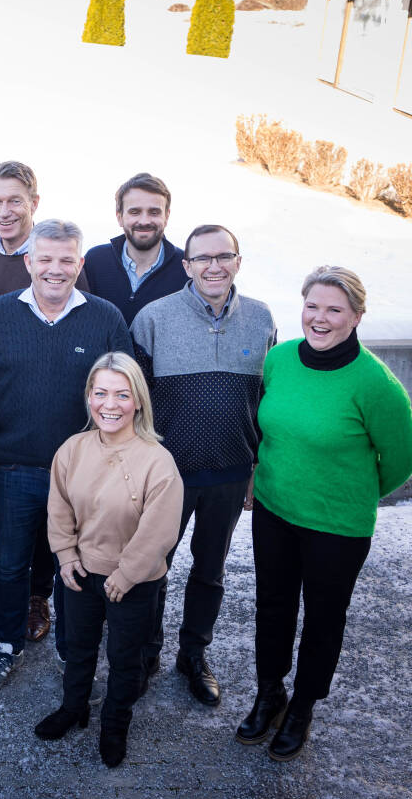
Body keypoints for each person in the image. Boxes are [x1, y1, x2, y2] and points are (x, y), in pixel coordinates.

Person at [237, 266, 412, 762]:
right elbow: (268, 427)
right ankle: (269, 693)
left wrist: (352, 492)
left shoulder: (375, 384)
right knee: (272, 606)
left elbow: (401, 458)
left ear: (356, 316)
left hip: (337, 525)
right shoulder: (281, 359)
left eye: (334, 309)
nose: (320, 318)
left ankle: (302, 708)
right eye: (312, 306)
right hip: (274, 508)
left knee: (323, 618)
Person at [0, 219, 131, 694]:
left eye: (66, 260)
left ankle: (69, 650)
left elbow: (125, 394)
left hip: (85, 472)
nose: (55, 270)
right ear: (29, 262)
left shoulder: (105, 317)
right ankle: (6, 646)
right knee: (10, 564)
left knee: (74, 567)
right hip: (13, 467)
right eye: (46, 259)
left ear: (80, 264)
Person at [131, 225, 276, 706]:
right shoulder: (153, 318)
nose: (214, 266)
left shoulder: (261, 319)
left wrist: (256, 462)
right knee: (153, 566)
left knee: (210, 571)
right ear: (186, 265)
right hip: (166, 475)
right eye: (203, 258)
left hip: (230, 472)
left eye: (224, 256)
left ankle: (193, 655)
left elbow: (266, 400)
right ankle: (145, 653)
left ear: (238, 261)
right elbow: (134, 401)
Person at [0, 161, 86, 636]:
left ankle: (36, 598)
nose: (4, 211)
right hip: (0, 412)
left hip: (54, 428)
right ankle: (0, 586)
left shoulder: (59, 258)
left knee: (49, 528)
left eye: (15, 201)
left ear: (34, 202)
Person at [36, 352, 183, 768]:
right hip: (82, 572)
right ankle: (73, 707)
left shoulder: (158, 461)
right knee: (79, 648)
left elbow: (160, 528)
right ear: (89, 397)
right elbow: (59, 507)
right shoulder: (72, 449)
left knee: (125, 657)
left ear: (137, 400)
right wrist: (64, 555)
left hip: (134, 581)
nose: (110, 404)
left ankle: (115, 723)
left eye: (121, 394)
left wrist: (127, 573)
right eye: (100, 393)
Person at [82, 173, 188, 328]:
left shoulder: (186, 267)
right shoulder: (95, 261)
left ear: (167, 216)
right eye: (135, 212)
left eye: (154, 212)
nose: (144, 221)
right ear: (119, 217)